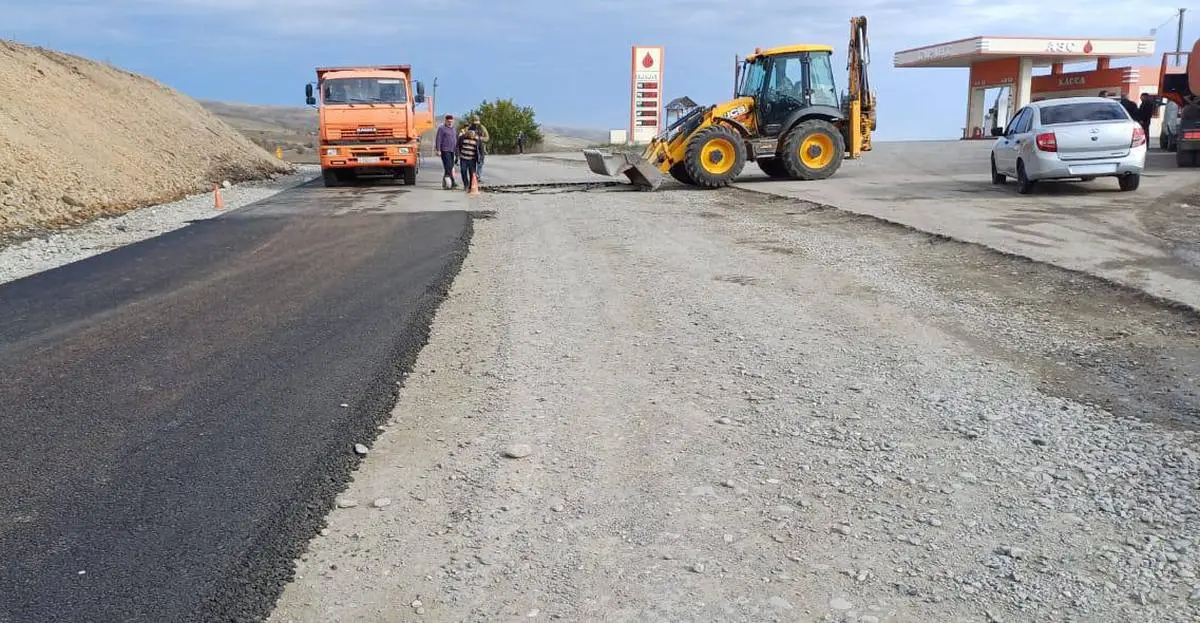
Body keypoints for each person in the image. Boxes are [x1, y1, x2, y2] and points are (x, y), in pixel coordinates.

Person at [434, 114, 458, 188]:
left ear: (453, 121)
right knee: (448, 166)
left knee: (451, 166)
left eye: (451, 121)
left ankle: (448, 182)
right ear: (446, 121)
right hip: (445, 150)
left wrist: (457, 150)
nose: (450, 123)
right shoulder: (442, 128)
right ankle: (449, 181)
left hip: (452, 150)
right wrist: (438, 150)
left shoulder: (453, 129)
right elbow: (438, 139)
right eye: (448, 121)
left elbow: (455, 139)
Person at [465, 115, 489, 181]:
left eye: (477, 123)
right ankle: (474, 176)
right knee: (472, 164)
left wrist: (480, 138)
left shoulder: (482, 128)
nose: (476, 124)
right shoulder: (469, 128)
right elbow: (466, 137)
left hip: (481, 148)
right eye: (474, 123)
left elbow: (487, 138)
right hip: (472, 148)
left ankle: (478, 176)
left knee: (480, 162)